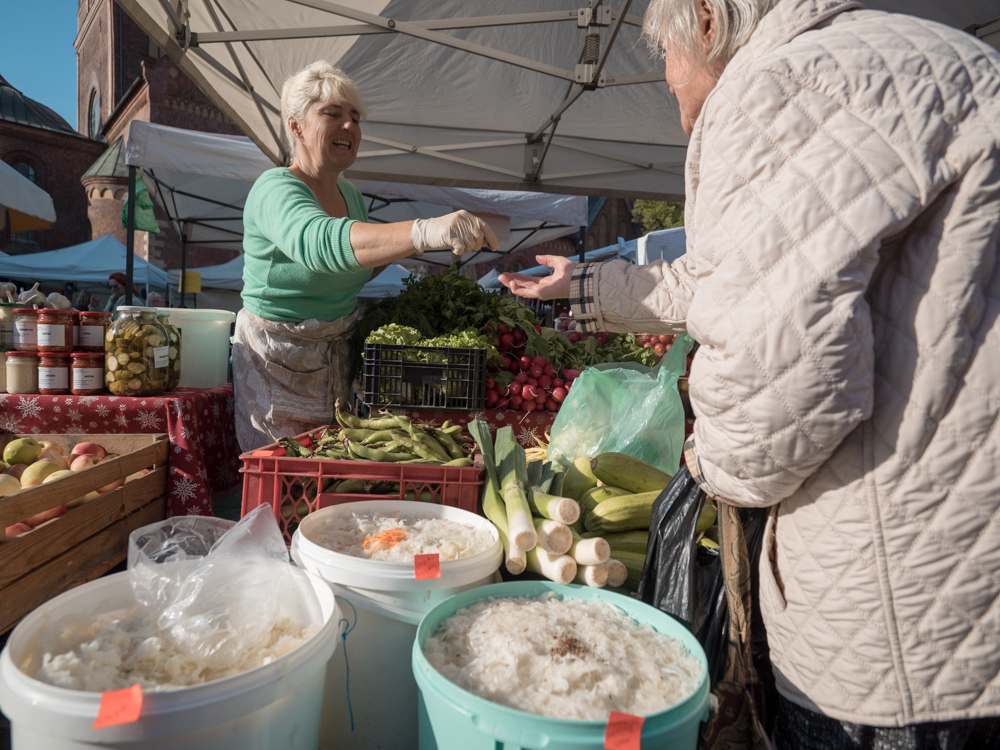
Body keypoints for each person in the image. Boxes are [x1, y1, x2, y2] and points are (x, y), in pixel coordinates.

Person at [500, 0, 1000, 747]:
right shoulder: (934, 59)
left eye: (667, 62)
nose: (671, 90)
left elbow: (786, 378)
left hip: (903, 615)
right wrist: (587, 288)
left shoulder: (781, 86)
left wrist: (708, 467)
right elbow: (735, 278)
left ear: (704, 19)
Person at [232, 61, 499, 452]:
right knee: (285, 479)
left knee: (335, 478)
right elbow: (320, 246)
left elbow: (352, 266)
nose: (348, 127)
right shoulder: (275, 188)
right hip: (278, 365)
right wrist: (422, 231)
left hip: (338, 363)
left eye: (355, 118)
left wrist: (402, 252)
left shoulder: (351, 197)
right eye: (332, 114)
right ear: (296, 126)